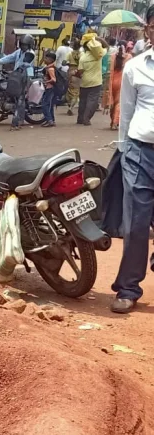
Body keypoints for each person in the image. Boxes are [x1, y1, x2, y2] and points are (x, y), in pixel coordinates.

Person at [110, 5, 154, 314]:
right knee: (136, 223)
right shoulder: (135, 66)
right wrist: (125, 150)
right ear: (148, 29)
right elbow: (126, 111)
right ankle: (128, 287)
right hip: (140, 152)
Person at [0, 34, 35, 130]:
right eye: (22, 44)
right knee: (10, 95)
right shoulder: (19, 52)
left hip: (24, 77)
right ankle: (6, 113)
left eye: (25, 45)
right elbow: (10, 57)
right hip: (16, 76)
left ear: (29, 45)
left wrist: (27, 85)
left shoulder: (30, 54)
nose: (23, 46)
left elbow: (28, 67)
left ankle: (18, 121)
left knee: (20, 100)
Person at [77, 32, 106, 125]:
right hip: (96, 82)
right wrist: (98, 39)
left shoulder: (83, 57)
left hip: (85, 81)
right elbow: (106, 47)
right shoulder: (99, 55)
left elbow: (80, 71)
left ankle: (80, 118)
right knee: (92, 101)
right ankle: (87, 118)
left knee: (83, 101)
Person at [107, 42, 132, 130]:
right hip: (122, 81)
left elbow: (109, 69)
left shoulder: (113, 56)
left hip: (112, 81)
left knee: (112, 102)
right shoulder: (128, 57)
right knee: (119, 103)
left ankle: (112, 121)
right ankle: (115, 122)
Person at [41, 50, 58, 127]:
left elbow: (54, 80)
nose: (45, 59)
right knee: (49, 105)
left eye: (46, 58)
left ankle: (49, 120)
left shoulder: (50, 69)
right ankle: (51, 120)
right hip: (49, 88)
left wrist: (46, 81)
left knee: (45, 104)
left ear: (51, 60)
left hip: (50, 88)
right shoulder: (49, 67)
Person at [101, 36, 118, 113]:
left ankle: (105, 103)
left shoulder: (106, 50)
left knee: (105, 88)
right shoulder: (115, 50)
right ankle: (108, 103)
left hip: (105, 70)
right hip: (112, 71)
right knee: (109, 88)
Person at [66, 37, 82, 115]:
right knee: (76, 91)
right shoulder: (82, 54)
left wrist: (68, 63)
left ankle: (69, 103)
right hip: (78, 72)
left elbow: (63, 62)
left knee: (69, 89)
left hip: (70, 71)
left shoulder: (69, 54)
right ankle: (71, 107)